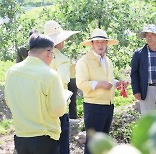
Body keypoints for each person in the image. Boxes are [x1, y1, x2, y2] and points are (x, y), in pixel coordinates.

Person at [5, 34, 67, 154]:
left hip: (20, 136)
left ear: (30, 52)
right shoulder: (50, 75)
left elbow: (9, 101)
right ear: (48, 52)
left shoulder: (12, 72)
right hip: (44, 138)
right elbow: (57, 111)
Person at [76, 28, 126, 154]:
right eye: (97, 42)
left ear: (107, 44)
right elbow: (81, 83)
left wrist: (117, 83)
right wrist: (99, 84)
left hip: (108, 105)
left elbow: (108, 80)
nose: (100, 44)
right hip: (94, 106)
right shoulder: (84, 61)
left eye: (103, 42)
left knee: (103, 142)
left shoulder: (107, 60)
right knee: (93, 143)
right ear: (92, 44)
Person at [44, 20, 79, 154]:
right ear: (61, 41)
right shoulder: (62, 59)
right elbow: (63, 80)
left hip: (44, 108)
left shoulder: (42, 57)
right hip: (59, 108)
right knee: (62, 146)